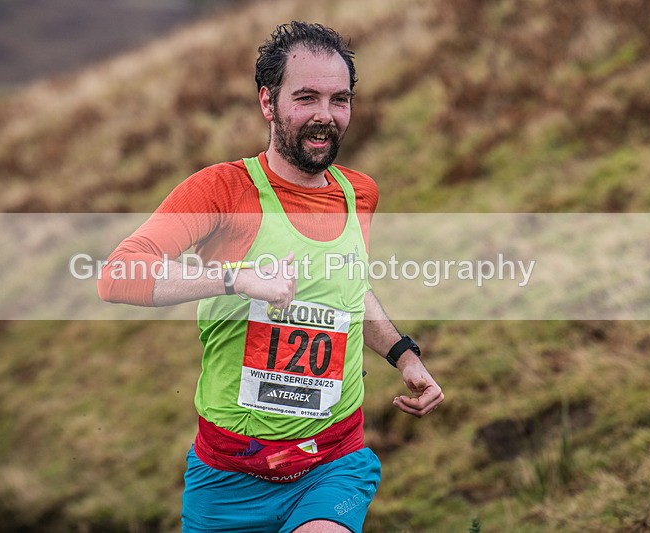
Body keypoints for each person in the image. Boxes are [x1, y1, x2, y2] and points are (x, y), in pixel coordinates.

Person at [98, 21, 444, 533]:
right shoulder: (221, 191)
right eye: (306, 98)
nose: (325, 116)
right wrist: (236, 279)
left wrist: (404, 355)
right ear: (268, 102)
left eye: (339, 99)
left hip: (332, 464)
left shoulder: (359, 194)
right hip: (228, 479)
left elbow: (350, 290)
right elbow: (117, 277)